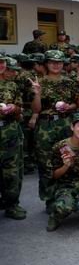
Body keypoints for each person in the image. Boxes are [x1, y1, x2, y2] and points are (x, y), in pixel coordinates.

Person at [33, 50, 79, 209]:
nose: (56, 65)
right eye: (52, 62)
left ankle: (65, 196)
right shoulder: (39, 82)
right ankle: (49, 198)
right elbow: (36, 109)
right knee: (46, 162)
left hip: (65, 124)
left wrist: (68, 107)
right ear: (46, 63)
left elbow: (77, 103)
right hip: (46, 126)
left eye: (59, 62)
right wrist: (37, 94)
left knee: (67, 158)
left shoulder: (69, 81)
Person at [46, 113, 79, 231]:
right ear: (72, 127)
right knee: (63, 207)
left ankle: (77, 204)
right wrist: (66, 166)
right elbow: (54, 175)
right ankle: (55, 215)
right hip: (64, 184)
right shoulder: (60, 146)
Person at [0, 54, 26, 219]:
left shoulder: (11, 85)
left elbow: (20, 111)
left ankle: (12, 204)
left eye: (2, 62)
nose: (0, 65)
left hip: (9, 131)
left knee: (12, 171)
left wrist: (14, 108)